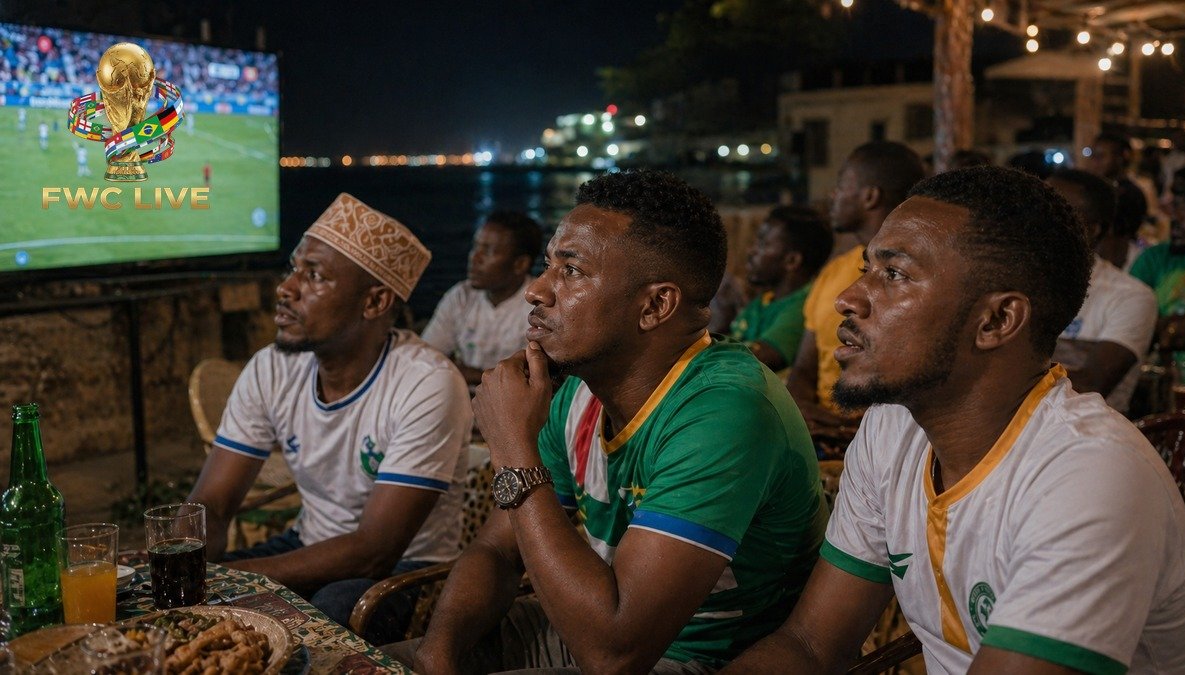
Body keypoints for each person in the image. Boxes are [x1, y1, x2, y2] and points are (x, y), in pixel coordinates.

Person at [726, 166, 1185, 674]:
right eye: (868, 268)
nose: (850, 298)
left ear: (996, 321)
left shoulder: (1089, 477)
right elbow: (810, 644)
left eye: (895, 275)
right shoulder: (891, 427)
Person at [400, 169, 828, 674]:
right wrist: (438, 653)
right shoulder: (581, 391)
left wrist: (514, 448)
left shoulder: (725, 409)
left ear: (654, 305)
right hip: (586, 625)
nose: (537, 290)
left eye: (572, 271)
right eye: (546, 266)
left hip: (701, 658)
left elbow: (615, 654)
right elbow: (496, 550)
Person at [186, 193, 473, 645]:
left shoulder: (427, 384)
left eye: (314, 275)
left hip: (408, 571)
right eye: (293, 268)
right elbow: (214, 503)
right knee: (188, 620)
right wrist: (178, 559)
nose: (287, 288)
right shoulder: (272, 367)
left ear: (375, 301)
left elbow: (373, 551)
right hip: (308, 545)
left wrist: (229, 580)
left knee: (321, 625)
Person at [785, 141, 926, 429]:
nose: (832, 196)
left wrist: (863, 431)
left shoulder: (918, 277)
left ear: (870, 197)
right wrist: (801, 408)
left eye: (841, 185)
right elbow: (803, 367)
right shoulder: (834, 271)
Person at [1047, 169, 1156, 414]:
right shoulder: (1016, 282)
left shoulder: (1129, 296)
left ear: (1094, 229)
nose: (1039, 221)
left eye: (1057, 212)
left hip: (1085, 438)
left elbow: (1090, 385)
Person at [421, 210, 541, 386]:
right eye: (476, 247)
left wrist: (459, 371)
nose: (474, 258)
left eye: (488, 251)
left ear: (520, 264)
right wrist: (496, 376)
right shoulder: (461, 296)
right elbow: (426, 359)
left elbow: (534, 377)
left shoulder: (538, 305)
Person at [729, 205, 833, 372]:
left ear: (791, 261)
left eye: (763, 244)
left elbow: (757, 360)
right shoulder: (765, 300)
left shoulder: (803, 306)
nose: (751, 251)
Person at [1131, 165, 1185, 379]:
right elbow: (1129, 321)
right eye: (1176, 206)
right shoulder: (1155, 259)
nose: (1176, 217)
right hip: (1165, 384)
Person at [1085, 132, 1152, 269]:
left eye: (1101, 156)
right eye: (1093, 155)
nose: (1094, 161)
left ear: (1122, 157)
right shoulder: (1093, 189)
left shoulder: (1130, 193)